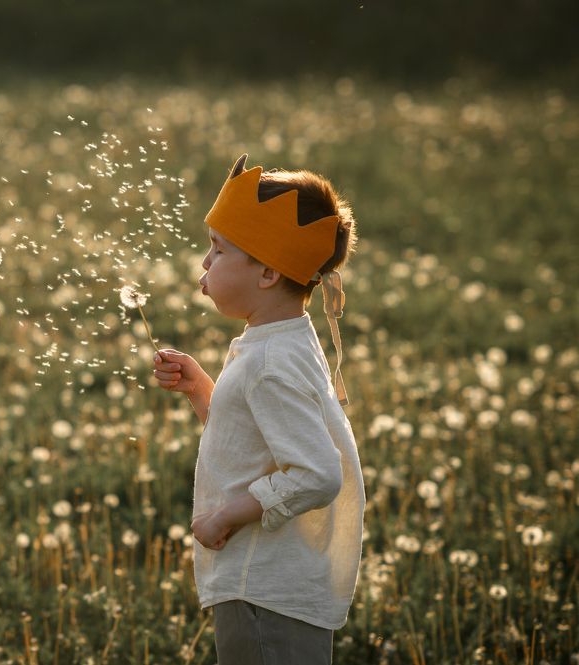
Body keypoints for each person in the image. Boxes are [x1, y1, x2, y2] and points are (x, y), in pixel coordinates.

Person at [152, 154, 365, 664]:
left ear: (268, 272)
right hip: (275, 583)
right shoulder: (284, 338)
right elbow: (261, 441)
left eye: (218, 250)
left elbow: (316, 473)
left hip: (264, 591)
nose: (205, 263)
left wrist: (226, 516)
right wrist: (204, 391)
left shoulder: (269, 362)